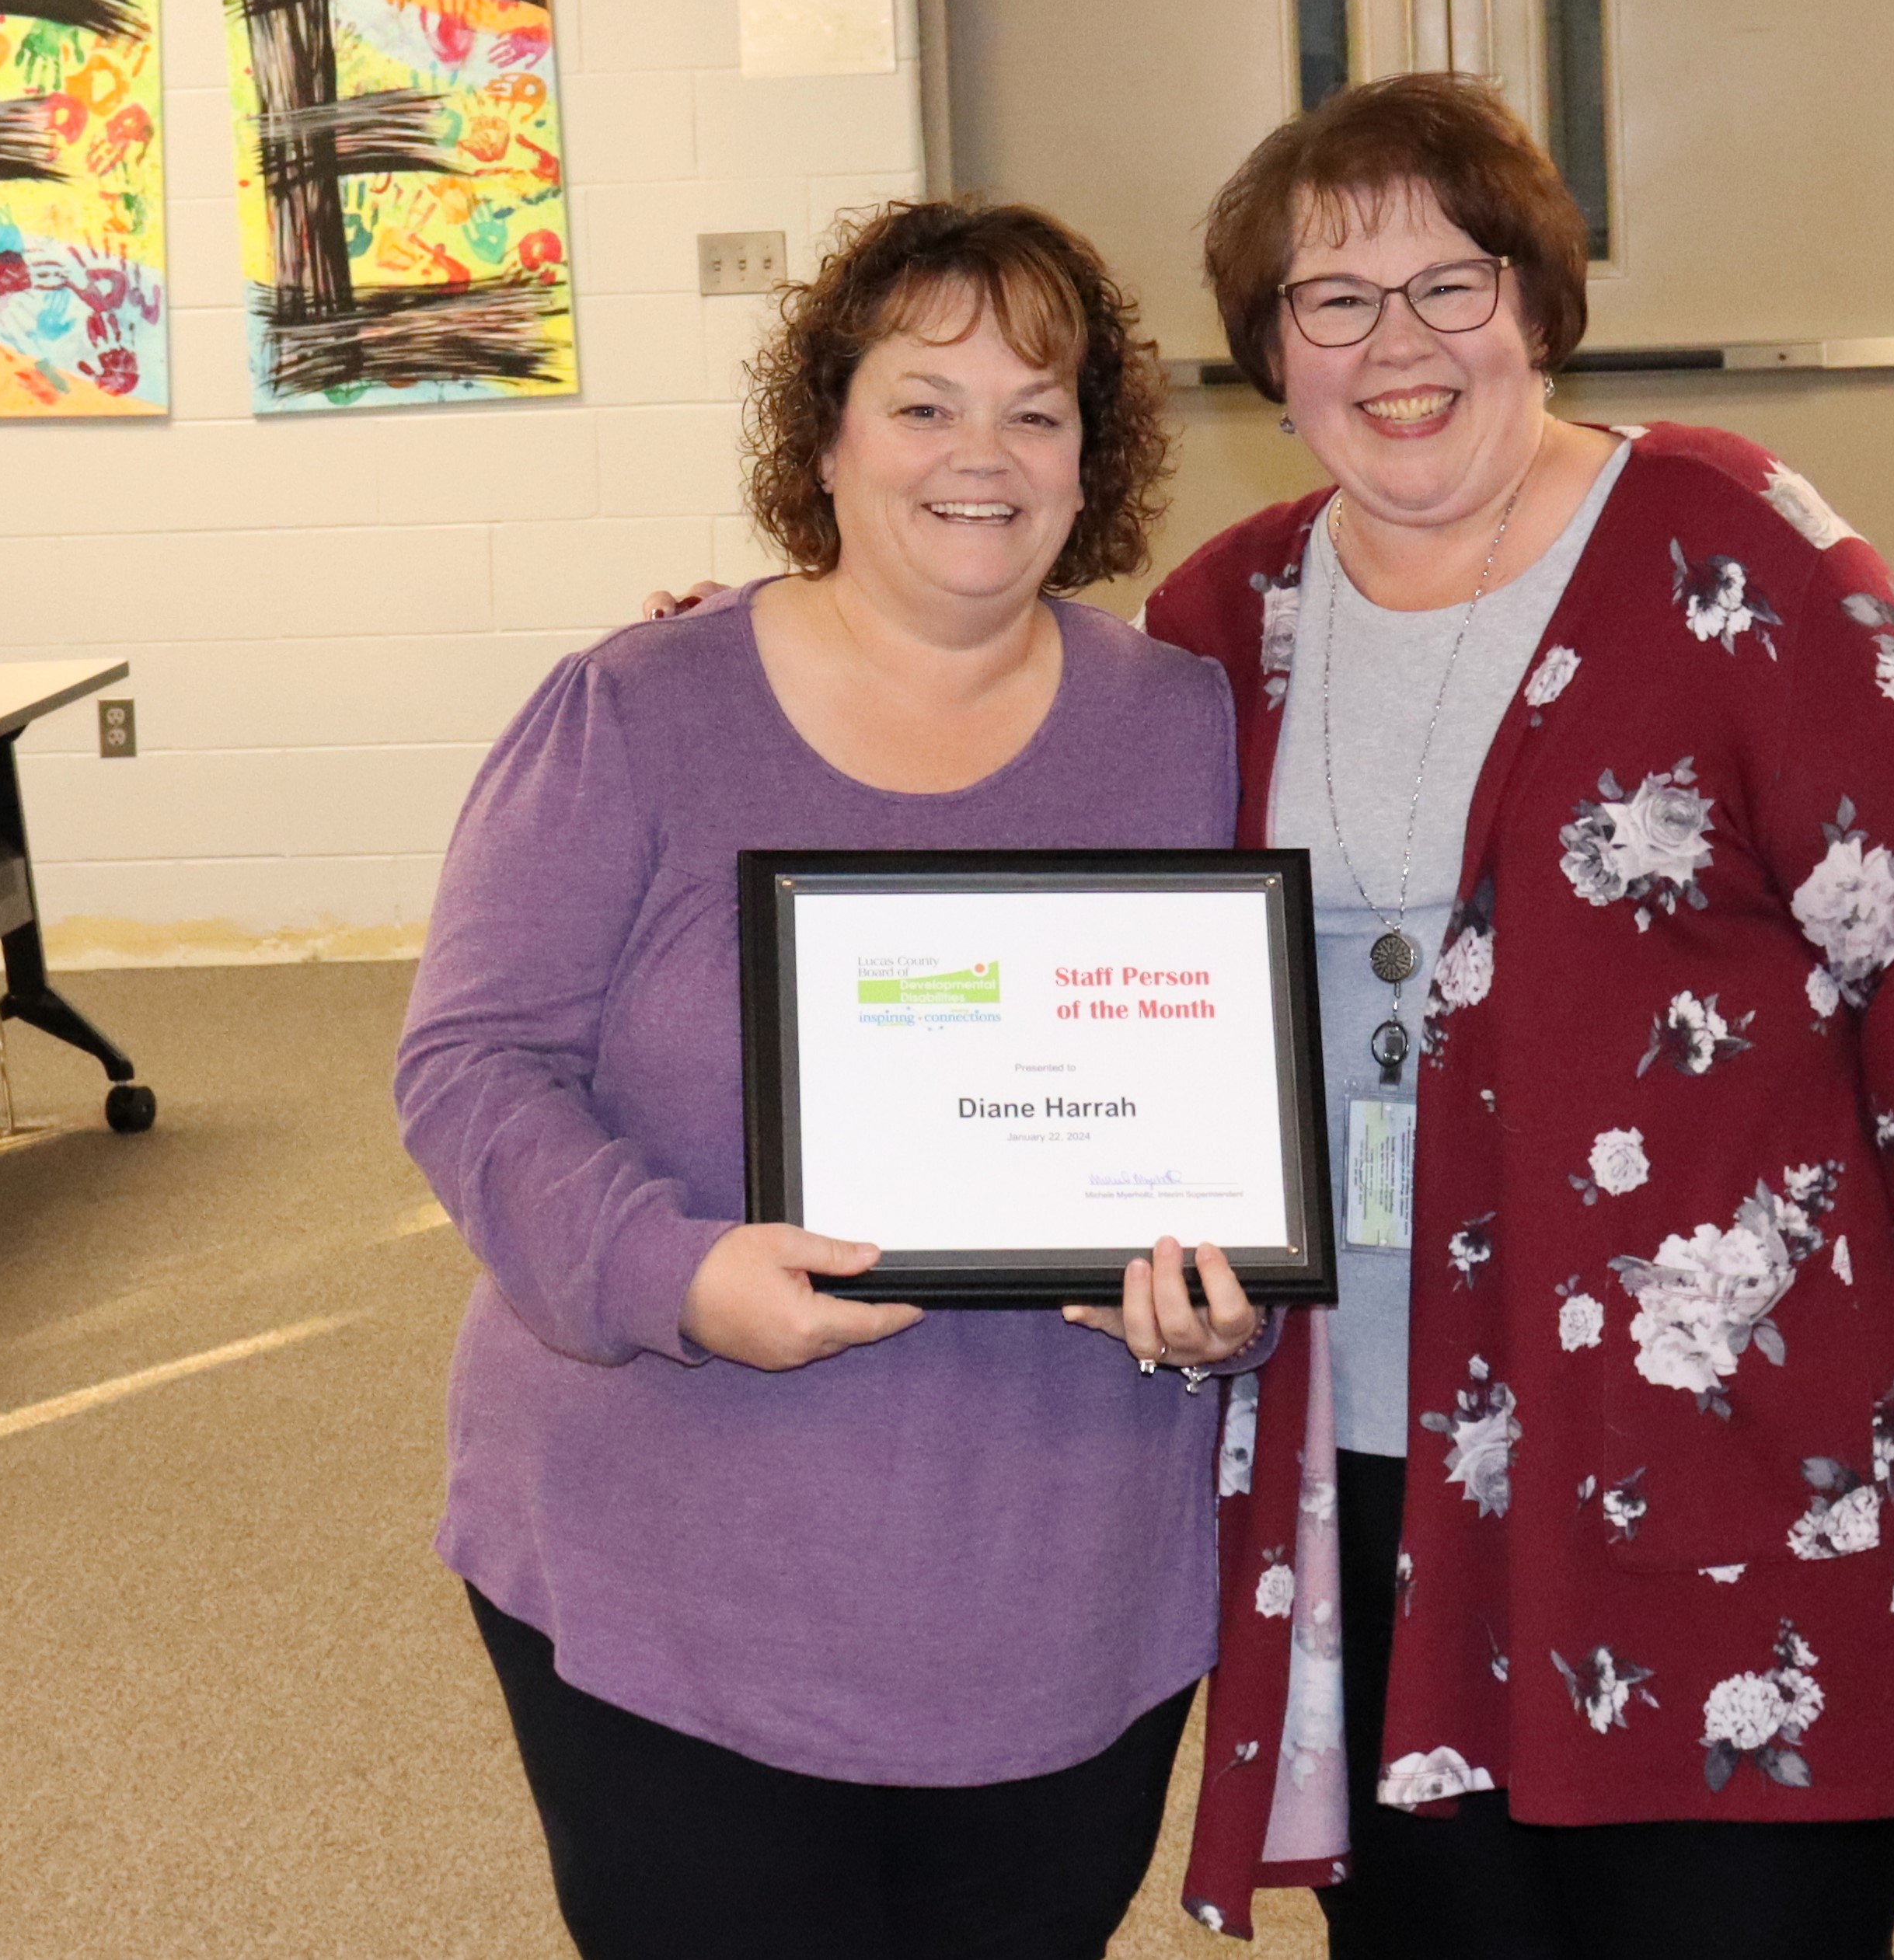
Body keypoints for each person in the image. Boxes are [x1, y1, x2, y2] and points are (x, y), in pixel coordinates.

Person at [1141, 75, 1894, 1958]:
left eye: (1452, 282)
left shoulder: (1715, 533)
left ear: (1541, 302)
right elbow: (1036, 828)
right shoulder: (1230, 610)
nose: (1398, 345)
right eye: (1333, 298)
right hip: (1376, 1446)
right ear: (1271, 352)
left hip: (1723, 1426)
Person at [397, 198, 1271, 1960]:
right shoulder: (639, 708)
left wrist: (1235, 1295)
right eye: (925, 402)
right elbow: (472, 1064)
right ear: (826, 433)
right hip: (678, 1559)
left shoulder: (1191, 726)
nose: (985, 455)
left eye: (1039, 408)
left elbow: (1263, 1087)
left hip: (1065, 1573)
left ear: (1093, 455)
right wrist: (674, 1272)